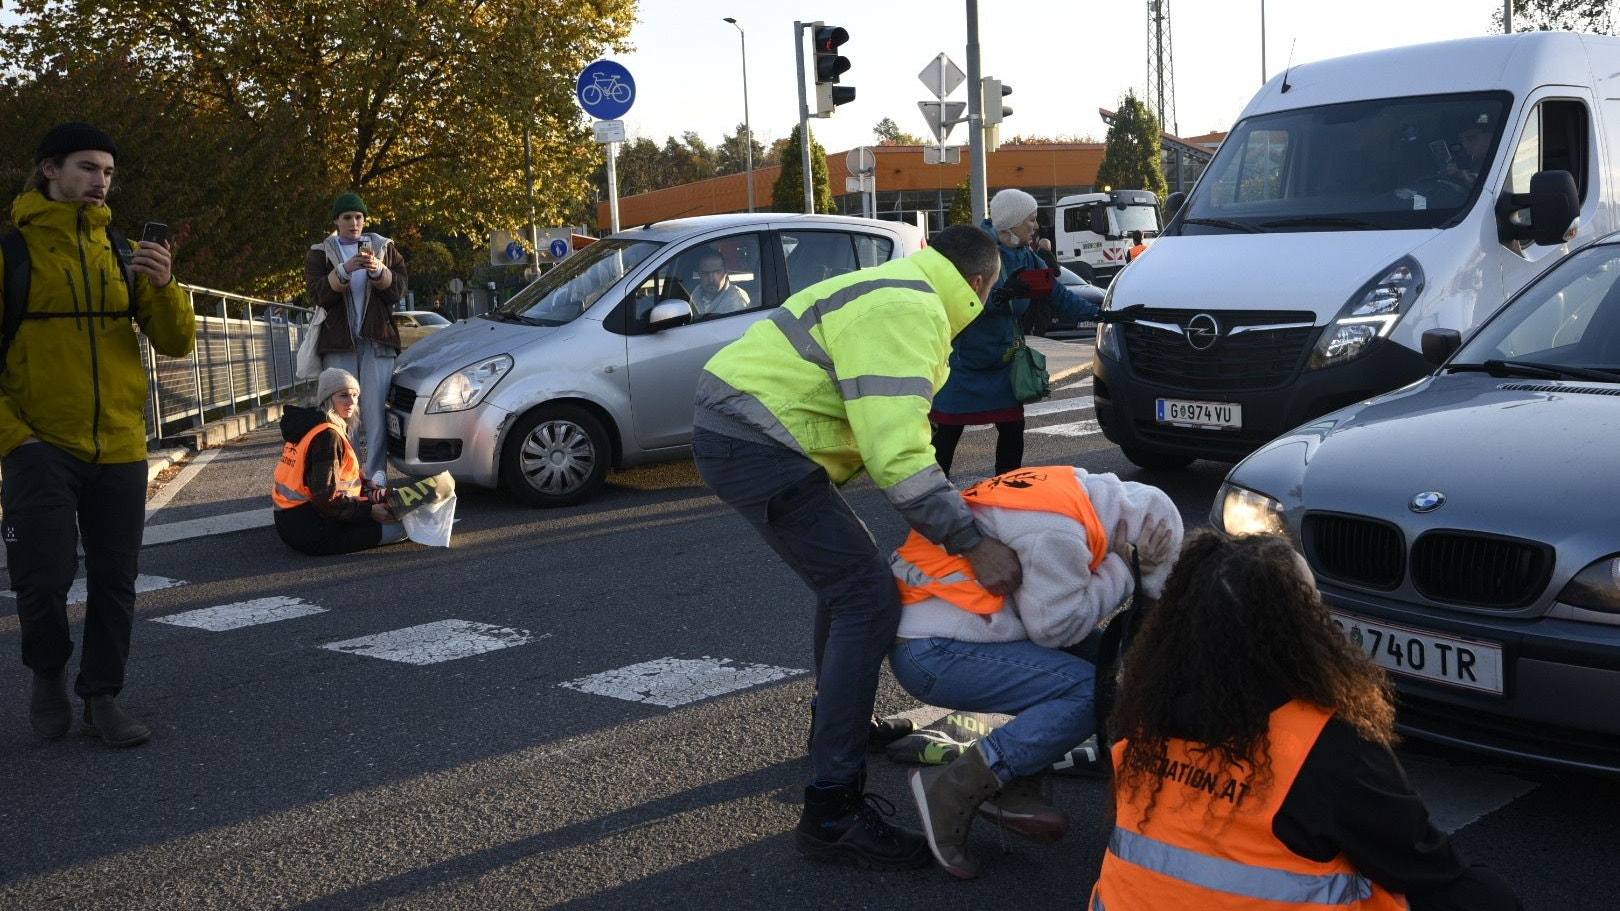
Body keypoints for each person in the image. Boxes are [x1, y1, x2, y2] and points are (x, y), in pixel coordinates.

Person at [691, 224, 1023, 872]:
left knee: (851, 582)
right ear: (980, 286)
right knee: (867, 595)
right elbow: (899, 460)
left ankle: (834, 728)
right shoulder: (913, 310)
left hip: (746, 426)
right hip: (755, 438)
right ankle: (832, 813)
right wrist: (972, 542)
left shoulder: (900, 285)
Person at [1092, 529, 1523, 911]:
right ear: (1302, 628)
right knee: (1484, 895)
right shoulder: (1323, 744)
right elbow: (1424, 864)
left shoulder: (1143, 716)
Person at [1, 122, 196, 747]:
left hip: (118, 443)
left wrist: (165, 286)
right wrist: (15, 439)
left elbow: (175, 342)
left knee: (116, 580)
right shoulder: (11, 255)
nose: (100, 182)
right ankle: (48, 674)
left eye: (108, 172)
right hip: (39, 443)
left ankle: (102, 697)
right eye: (88, 168)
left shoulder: (122, 251)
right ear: (50, 170)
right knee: (40, 577)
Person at [891, 465, 1183, 879]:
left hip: (949, 631)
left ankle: (1013, 778)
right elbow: (1055, 629)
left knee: (1099, 661)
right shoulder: (1056, 534)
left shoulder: (1071, 492)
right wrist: (1123, 569)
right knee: (1089, 692)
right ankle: (951, 786)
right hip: (935, 651)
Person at [930, 189, 1115, 477]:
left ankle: (1008, 492)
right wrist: (999, 297)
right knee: (947, 435)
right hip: (965, 364)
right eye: (1029, 220)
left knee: (1013, 429)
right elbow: (957, 299)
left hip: (1004, 362)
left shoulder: (1027, 257)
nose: (1035, 226)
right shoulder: (976, 251)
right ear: (1011, 222)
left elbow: (1058, 294)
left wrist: (1101, 313)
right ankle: (931, 499)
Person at [304, 192, 407, 480]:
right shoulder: (320, 252)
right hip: (338, 343)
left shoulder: (384, 248)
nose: (353, 223)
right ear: (336, 221)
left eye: (358, 217)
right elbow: (318, 294)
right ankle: (347, 473)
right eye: (347, 217)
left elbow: (398, 290)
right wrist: (344, 271)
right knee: (342, 413)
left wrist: (379, 271)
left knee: (374, 414)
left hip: (377, 342)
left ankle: (376, 475)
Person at [272, 368, 407, 556]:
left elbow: (329, 482)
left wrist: (366, 486)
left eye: (355, 395)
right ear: (328, 399)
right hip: (315, 531)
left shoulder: (309, 425)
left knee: (393, 508)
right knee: (403, 526)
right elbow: (325, 498)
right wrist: (370, 511)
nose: (351, 402)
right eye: (344, 395)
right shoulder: (327, 436)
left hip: (291, 524)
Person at [689, 247, 750, 317]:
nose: (711, 279)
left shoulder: (736, 299)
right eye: (705, 273)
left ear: (725, 272)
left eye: (717, 272)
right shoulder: (696, 294)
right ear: (699, 273)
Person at [1443, 113, 1493, 187]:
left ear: (1488, 138)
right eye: (1462, 140)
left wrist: (1468, 179)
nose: (1465, 145)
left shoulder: (1504, 164)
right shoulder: (1465, 165)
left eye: (1471, 139)